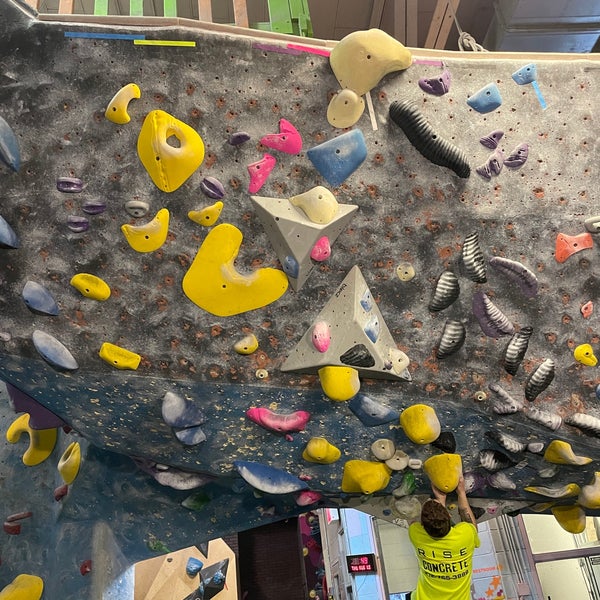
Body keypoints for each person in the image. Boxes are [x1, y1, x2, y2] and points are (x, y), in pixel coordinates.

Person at [407, 476, 480, 600]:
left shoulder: (416, 534)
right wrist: (456, 495)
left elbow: (411, 517)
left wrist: (457, 493)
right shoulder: (417, 535)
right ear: (449, 516)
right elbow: (466, 517)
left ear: (423, 526)